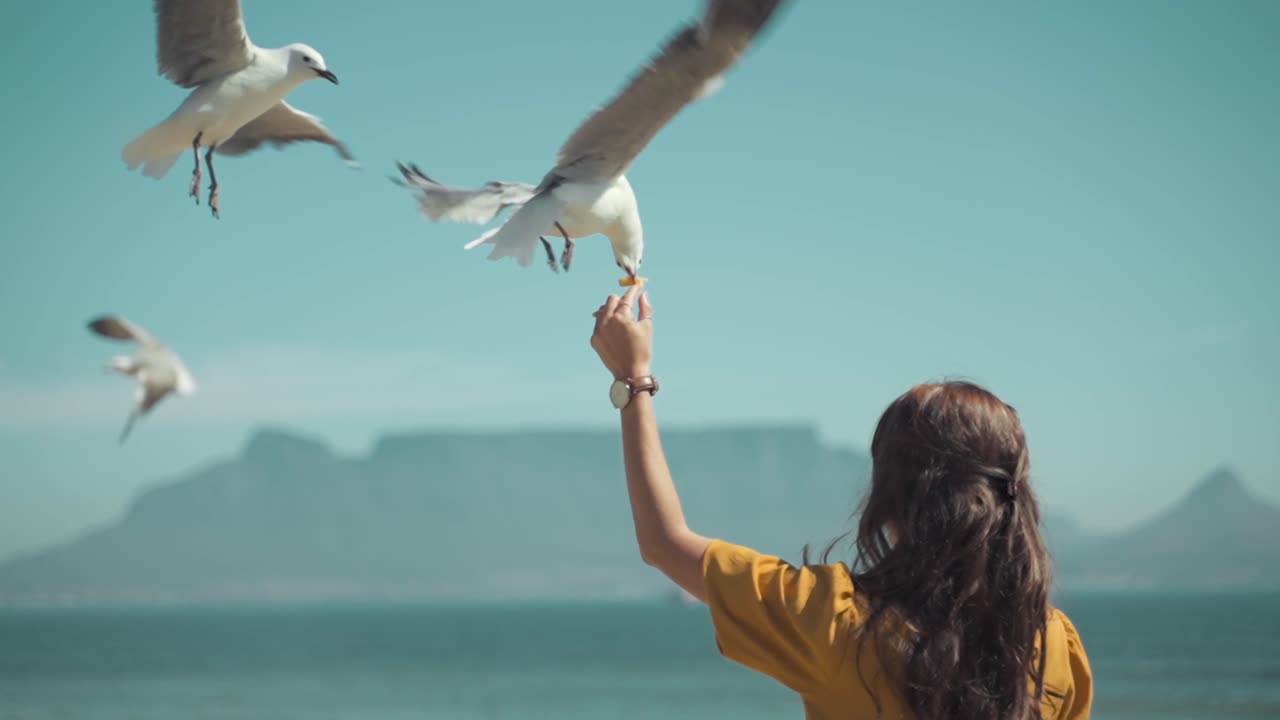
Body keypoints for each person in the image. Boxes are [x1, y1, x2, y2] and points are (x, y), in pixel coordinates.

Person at [588, 284, 1094, 720]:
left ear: (893, 498)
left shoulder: (832, 620)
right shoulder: (1052, 646)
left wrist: (634, 380)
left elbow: (663, 542)